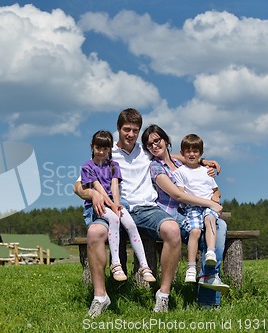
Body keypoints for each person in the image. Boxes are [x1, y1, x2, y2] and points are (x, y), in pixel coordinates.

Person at [74, 108, 183, 317]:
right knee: (94, 233)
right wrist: (92, 194)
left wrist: (201, 162)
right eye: (126, 129)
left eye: (135, 130)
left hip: (146, 209)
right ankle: (100, 297)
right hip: (115, 208)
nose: (130, 134)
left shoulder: (146, 151)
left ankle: (163, 295)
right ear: (118, 129)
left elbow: (170, 156)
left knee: (172, 230)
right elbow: (77, 186)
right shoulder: (106, 152)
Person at [141, 125, 229, 308]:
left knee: (220, 228)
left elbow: (192, 160)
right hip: (174, 214)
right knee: (210, 232)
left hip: (195, 210)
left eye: (157, 140)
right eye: (150, 145)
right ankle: (208, 291)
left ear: (166, 140)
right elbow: (178, 195)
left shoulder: (179, 162)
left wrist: (205, 162)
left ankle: (209, 282)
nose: (155, 145)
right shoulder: (156, 168)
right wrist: (211, 203)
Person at [80, 130, 156, 283]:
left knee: (130, 224)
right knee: (114, 219)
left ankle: (144, 266)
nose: (101, 152)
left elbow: (115, 187)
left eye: (105, 149)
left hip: (113, 202)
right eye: (98, 148)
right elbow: (98, 188)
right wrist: (111, 205)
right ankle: (116, 264)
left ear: (110, 149)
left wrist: (116, 204)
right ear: (92, 147)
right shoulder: (87, 167)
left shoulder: (114, 165)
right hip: (98, 205)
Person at [174, 134, 220, 283]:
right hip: (192, 207)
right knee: (194, 231)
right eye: (187, 151)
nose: (191, 154)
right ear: (182, 153)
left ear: (201, 153)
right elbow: (180, 193)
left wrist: (216, 198)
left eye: (195, 151)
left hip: (208, 205)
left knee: (210, 219)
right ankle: (191, 267)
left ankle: (211, 253)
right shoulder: (180, 171)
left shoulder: (206, 171)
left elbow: (215, 190)